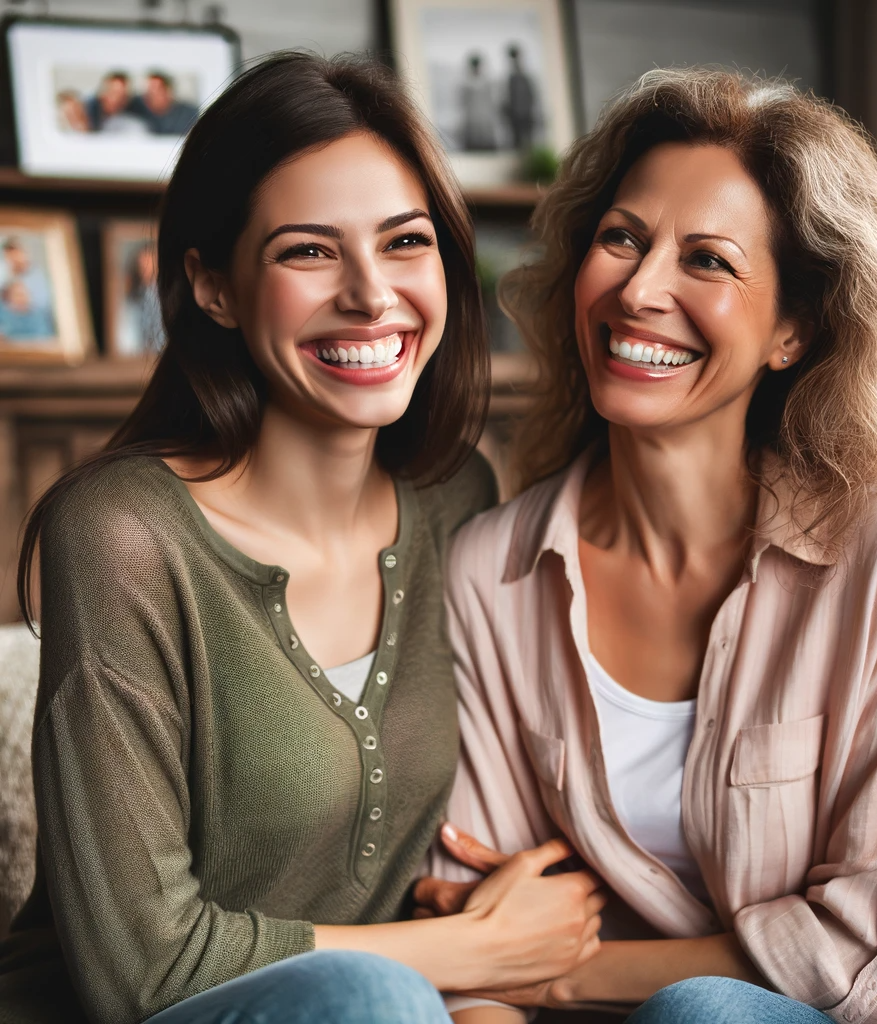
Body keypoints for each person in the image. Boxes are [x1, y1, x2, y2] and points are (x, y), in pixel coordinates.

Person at [0, 52, 604, 1024]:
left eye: (405, 242)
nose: (371, 295)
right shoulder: (120, 533)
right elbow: (136, 967)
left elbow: (464, 854)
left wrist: (488, 971)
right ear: (212, 286)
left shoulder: (461, 497)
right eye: (307, 251)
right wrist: (469, 949)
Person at [419, 69, 877, 1022]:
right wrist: (502, 979)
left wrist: (564, 969)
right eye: (621, 238)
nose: (641, 289)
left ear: (793, 328)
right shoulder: (488, 571)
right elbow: (473, 934)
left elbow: (873, 946)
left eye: (708, 260)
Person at [129, 71, 199, 136]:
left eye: (156, 90)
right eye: (149, 91)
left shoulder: (189, 114)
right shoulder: (138, 109)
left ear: (168, 91)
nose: (151, 95)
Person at [460, 53, 499, 152]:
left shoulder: (487, 82)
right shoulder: (466, 83)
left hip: (485, 118)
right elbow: (464, 102)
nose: (476, 68)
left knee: (486, 142)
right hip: (472, 118)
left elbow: (491, 101)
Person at [503, 45, 535, 150]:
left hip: (525, 114)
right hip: (515, 115)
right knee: (517, 142)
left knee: (527, 140)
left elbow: (531, 95)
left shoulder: (525, 76)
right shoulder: (510, 78)